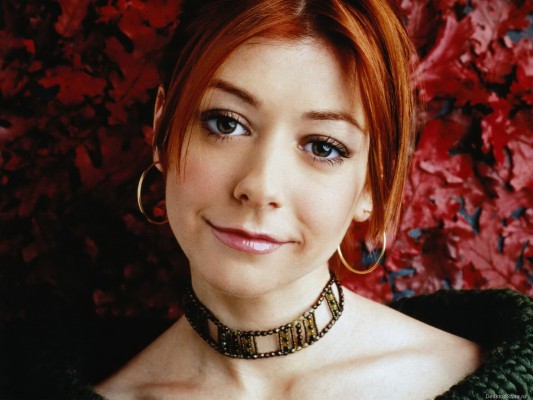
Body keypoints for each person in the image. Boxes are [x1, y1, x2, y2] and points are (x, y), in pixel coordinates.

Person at [2, 0, 531, 399]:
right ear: (163, 127)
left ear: (372, 184)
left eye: (323, 146)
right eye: (225, 123)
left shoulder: (486, 378)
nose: (260, 185)